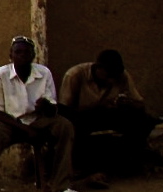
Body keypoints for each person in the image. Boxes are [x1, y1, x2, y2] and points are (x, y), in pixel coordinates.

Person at [0, 35, 81, 192]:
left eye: (27, 52)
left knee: (65, 126)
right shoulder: (0, 75)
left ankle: (62, 185)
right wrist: (25, 130)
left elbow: (53, 109)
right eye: (18, 52)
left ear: (33, 56)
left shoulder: (44, 73)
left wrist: (46, 106)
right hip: (9, 122)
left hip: (38, 120)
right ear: (10, 56)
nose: (22, 56)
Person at [59, 49, 152, 184]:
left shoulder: (121, 76)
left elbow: (140, 104)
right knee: (73, 127)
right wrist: (98, 106)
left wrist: (128, 103)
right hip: (83, 116)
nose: (111, 81)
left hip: (109, 115)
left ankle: (126, 163)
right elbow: (65, 111)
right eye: (108, 76)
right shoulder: (75, 75)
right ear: (98, 68)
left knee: (143, 121)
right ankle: (87, 169)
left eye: (114, 78)